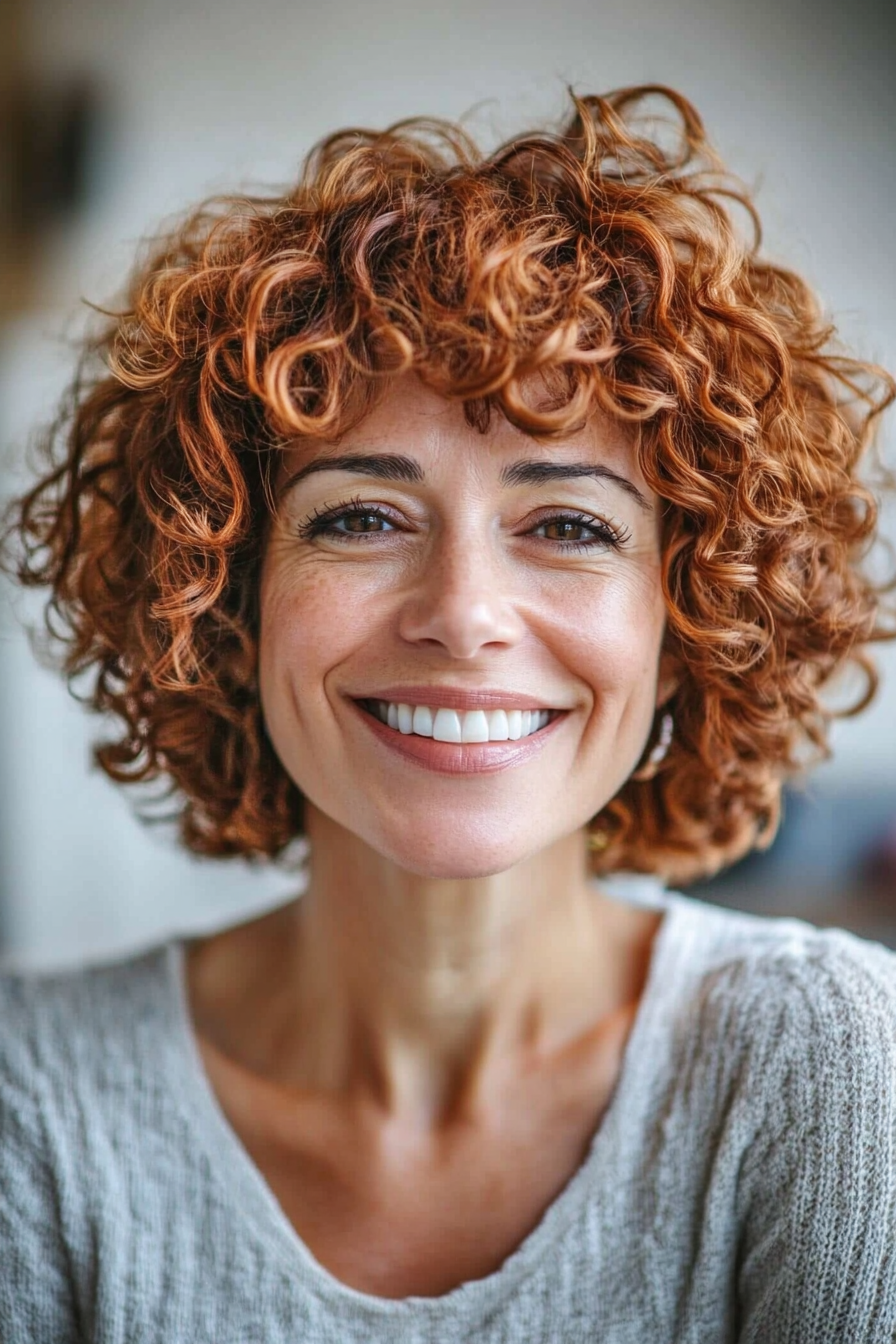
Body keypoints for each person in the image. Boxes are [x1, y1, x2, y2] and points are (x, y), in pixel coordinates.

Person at [2, 83, 895, 1343]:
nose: (463, 614)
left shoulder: (835, 1067)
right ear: (224, 597)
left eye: (570, 526)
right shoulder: (28, 1100)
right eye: (361, 516)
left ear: (689, 620)